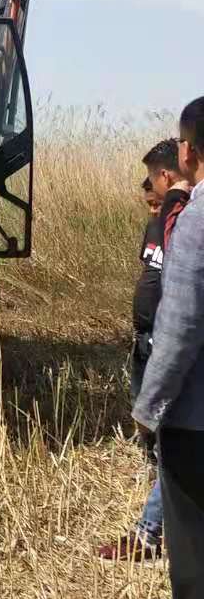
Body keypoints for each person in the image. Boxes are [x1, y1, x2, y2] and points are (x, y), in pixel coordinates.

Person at [134, 97, 204, 599]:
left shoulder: (198, 219)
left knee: (190, 538)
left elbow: (178, 329)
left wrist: (148, 407)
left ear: (188, 152)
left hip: (195, 418)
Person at [99, 142, 192, 560]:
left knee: (170, 434)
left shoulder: (188, 221)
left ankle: (150, 532)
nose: (151, 193)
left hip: (166, 339)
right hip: (147, 338)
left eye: (155, 182)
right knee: (157, 431)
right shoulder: (160, 224)